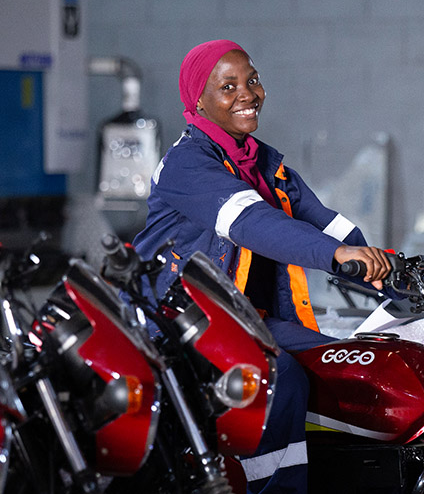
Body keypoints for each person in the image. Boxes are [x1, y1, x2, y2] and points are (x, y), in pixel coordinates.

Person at [131, 39, 392, 494]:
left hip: (246, 320)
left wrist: (400, 282)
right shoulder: (186, 164)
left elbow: (331, 228)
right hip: (175, 323)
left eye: (251, 80)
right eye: (228, 86)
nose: (247, 93)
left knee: (344, 365)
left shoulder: (266, 164)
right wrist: (336, 258)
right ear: (199, 101)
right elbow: (252, 222)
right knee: (282, 378)